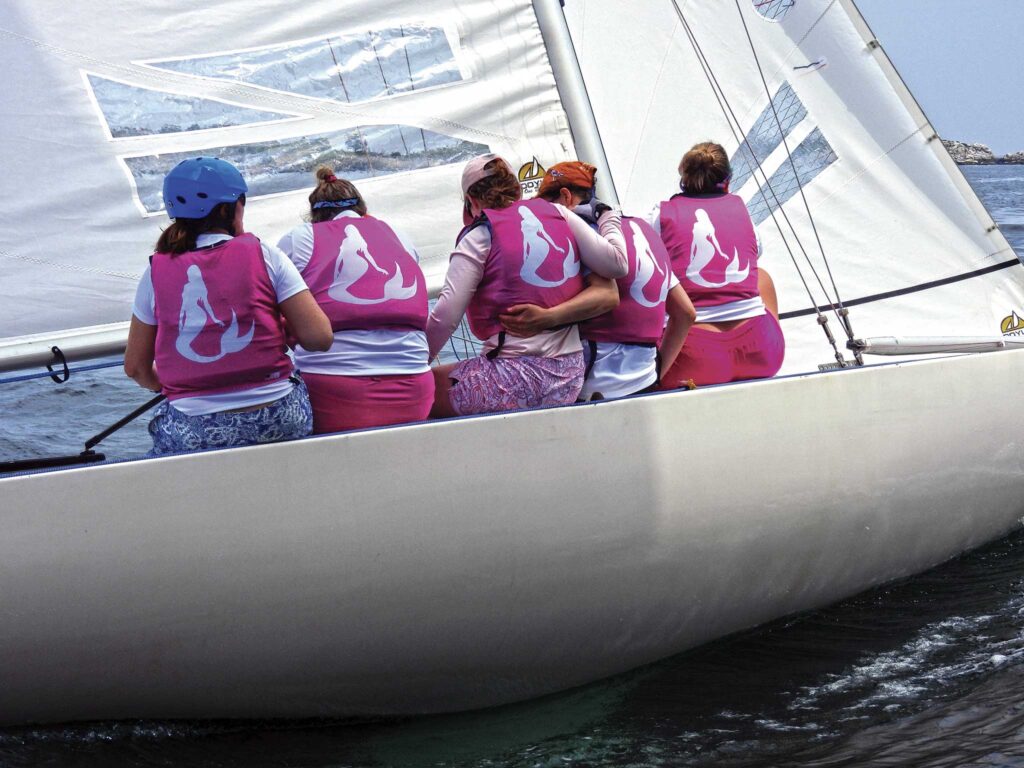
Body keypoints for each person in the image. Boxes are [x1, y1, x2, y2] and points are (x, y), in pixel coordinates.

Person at [124, 157, 333, 455]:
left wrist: (171, 387)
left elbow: (135, 367)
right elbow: (320, 337)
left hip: (195, 431)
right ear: (227, 209)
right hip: (278, 419)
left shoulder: (154, 274)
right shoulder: (265, 255)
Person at [426, 154, 629, 417]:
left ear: (472, 201)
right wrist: (608, 218)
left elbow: (445, 318)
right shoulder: (559, 213)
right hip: (569, 376)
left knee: (422, 390)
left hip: (514, 378)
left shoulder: (479, 236)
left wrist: (411, 366)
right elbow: (617, 265)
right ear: (518, 190)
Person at [499, 161, 698, 400]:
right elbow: (686, 313)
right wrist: (656, 375)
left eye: (546, 205)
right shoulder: (644, 229)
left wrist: (545, 318)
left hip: (593, 384)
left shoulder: (575, 234)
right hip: (643, 379)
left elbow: (606, 296)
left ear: (566, 197)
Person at [276, 166, 433, 433]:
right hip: (415, 389)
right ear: (363, 210)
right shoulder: (399, 235)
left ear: (315, 216)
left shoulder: (299, 238)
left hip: (333, 391)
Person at [650, 142, 785, 387]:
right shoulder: (742, 210)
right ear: (728, 182)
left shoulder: (660, 216)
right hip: (761, 352)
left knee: (656, 283)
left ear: (683, 179)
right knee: (761, 275)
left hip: (692, 360)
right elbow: (752, 255)